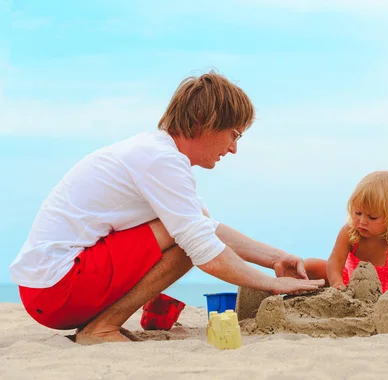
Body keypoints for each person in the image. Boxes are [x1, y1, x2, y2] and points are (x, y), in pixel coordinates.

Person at [9, 71, 324, 344]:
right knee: (190, 242)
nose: (234, 148)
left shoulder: (158, 155)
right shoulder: (160, 160)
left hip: (48, 289)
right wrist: (272, 284)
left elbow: (208, 228)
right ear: (205, 122)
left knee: (192, 228)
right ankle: (101, 328)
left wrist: (276, 259)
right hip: (56, 289)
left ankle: (100, 325)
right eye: (233, 134)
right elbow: (205, 251)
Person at [304, 171, 388, 326]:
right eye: (358, 213)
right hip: (348, 285)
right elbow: (335, 261)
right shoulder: (349, 233)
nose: (362, 221)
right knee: (310, 265)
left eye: (372, 217)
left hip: (382, 295)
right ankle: (287, 289)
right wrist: (337, 283)